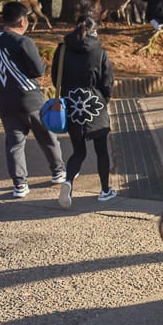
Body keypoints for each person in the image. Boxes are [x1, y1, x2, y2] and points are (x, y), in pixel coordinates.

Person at [0, 1, 66, 198]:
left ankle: (19, 184)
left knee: (14, 144)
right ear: (22, 22)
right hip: (30, 99)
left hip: (4, 100)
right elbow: (38, 70)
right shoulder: (23, 42)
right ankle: (58, 171)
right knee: (46, 136)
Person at [52, 16, 116, 208]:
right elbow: (107, 83)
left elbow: (56, 79)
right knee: (101, 151)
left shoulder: (62, 49)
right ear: (94, 31)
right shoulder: (100, 52)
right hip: (94, 105)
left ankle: (68, 182)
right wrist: (103, 101)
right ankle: (105, 191)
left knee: (78, 152)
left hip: (72, 105)